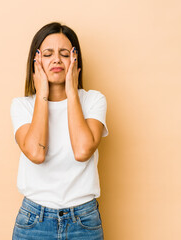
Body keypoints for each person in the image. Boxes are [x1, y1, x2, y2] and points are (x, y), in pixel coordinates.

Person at [10, 22, 108, 240]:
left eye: (64, 54)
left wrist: (71, 91)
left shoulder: (93, 100)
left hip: (84, 220)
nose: (56, 60)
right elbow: (36, 153)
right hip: (34, 220)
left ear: (75, 60)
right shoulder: (22, 106)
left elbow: (82, 151)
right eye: (47, 54)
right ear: (36, 62)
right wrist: (42, 93)